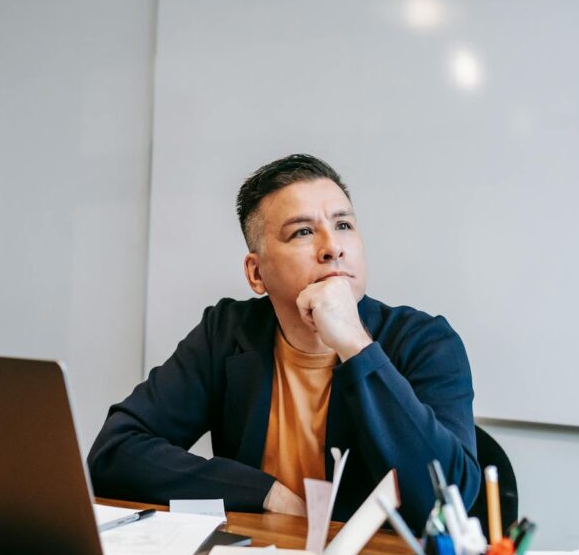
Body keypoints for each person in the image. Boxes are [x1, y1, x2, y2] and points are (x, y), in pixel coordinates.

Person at [88, 154, 479, 530]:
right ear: (256, 274)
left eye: (343, 225)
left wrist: (356, 347)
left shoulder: (426, 342)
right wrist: (262, 492)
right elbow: (114, 453)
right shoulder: (226, 333)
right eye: (303, 232)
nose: (333, 247)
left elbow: (448, 502)